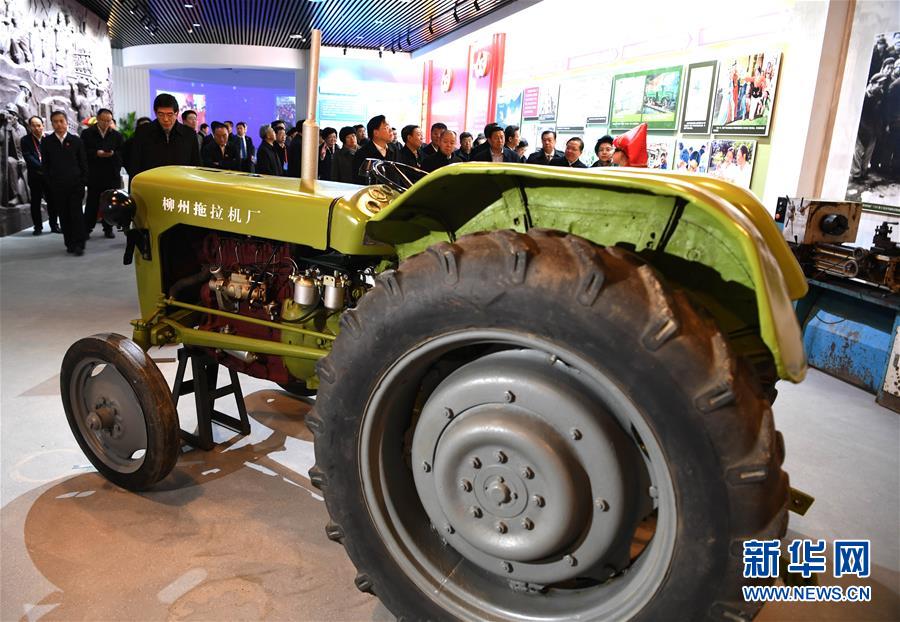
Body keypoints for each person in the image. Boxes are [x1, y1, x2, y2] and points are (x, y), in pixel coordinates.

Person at [42, 110, 88, 255]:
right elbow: (45, 166)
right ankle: (69, 243)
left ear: (67, 122)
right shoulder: (47, 142)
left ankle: (79, 244)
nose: (59, 124)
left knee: (76, 215)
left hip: (76, 185)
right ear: (52, 124)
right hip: (58, 186)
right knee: (64, 215)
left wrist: (83, 182)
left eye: (61, 121)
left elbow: (83, 164)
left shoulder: (76, 141)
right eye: (55, 122)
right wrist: (50, 183)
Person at [129, 93, 201, 177]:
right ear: (155, 113)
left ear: (177, 113)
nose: (165, 119)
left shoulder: (189, 134)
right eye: (161, 114)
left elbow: (196, 165)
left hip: (181, 182)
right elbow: (135, 165)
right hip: (151, 182)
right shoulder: (143, 132)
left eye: (170, 114)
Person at [81, 108, 123, 238]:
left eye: (108, 121)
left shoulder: (117, 135)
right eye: (103, 120)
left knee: (109, 203)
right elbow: (82, 153)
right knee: (92, 203)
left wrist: (113, 154)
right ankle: (87, 229)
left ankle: (108, 228)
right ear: (97, 119)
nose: (106, 123)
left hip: (111, 175)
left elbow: (122, 153)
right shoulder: (87, 134)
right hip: (94, 175)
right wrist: (96, 153)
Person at [21, 115, 58, 234]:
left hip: (50, 177)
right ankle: (38, 227)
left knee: (52, 201)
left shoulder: (50, 139)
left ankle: (54, 225)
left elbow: (55, 156)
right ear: (29, 127)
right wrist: (43, 168)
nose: (36, 128)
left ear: (43, 126)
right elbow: (28, 157)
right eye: (33, 126)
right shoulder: (25, 140)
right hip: (35, 175)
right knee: (35, 202)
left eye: (39, 125)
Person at [352, 115, 396, 184]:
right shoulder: (362, 153)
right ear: (376, 133)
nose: (391, 130)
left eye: (389, 127)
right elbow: (359, 181)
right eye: (386, 127)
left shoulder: (394, 149)